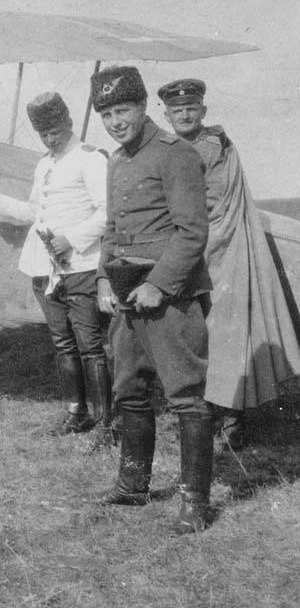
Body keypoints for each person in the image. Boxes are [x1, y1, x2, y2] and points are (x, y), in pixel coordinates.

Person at [92, 65, 216, 534]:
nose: (115, 121)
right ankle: (133, 486)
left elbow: (192, 233)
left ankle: (194, 503)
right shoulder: (116, 161)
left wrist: (158, 285)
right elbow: (112, 229)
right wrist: (106, 279)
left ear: (143, 107)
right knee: (130, 389)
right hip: (126, 294)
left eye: (121, 110)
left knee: (186, 395)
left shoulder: (176, 154)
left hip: (170, 294)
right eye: (106, 113)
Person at [158, 78, 300, 449]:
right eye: (177, 110)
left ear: (203, 111)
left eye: (191, 108)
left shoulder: (212, 146)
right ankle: (206, 410)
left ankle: (232, 417)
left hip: (222, 254)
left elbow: (213, 206)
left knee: (226, 333)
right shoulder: (171, 148)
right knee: (194, 333)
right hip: (191, 252)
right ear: (167, 114)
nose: (184, 114)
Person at [0, 92, 113, 439]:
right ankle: (77, 412)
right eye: (44, 134)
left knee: (90, 344)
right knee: (62, 343)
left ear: (68, 122)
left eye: (55, 130)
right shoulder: (45, 164)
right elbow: (35, 211)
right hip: (46, 270)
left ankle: (106, 420)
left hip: (81, 265)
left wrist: (73, 238)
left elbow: (108, 212)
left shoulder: (91, 159)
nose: (51, 138)